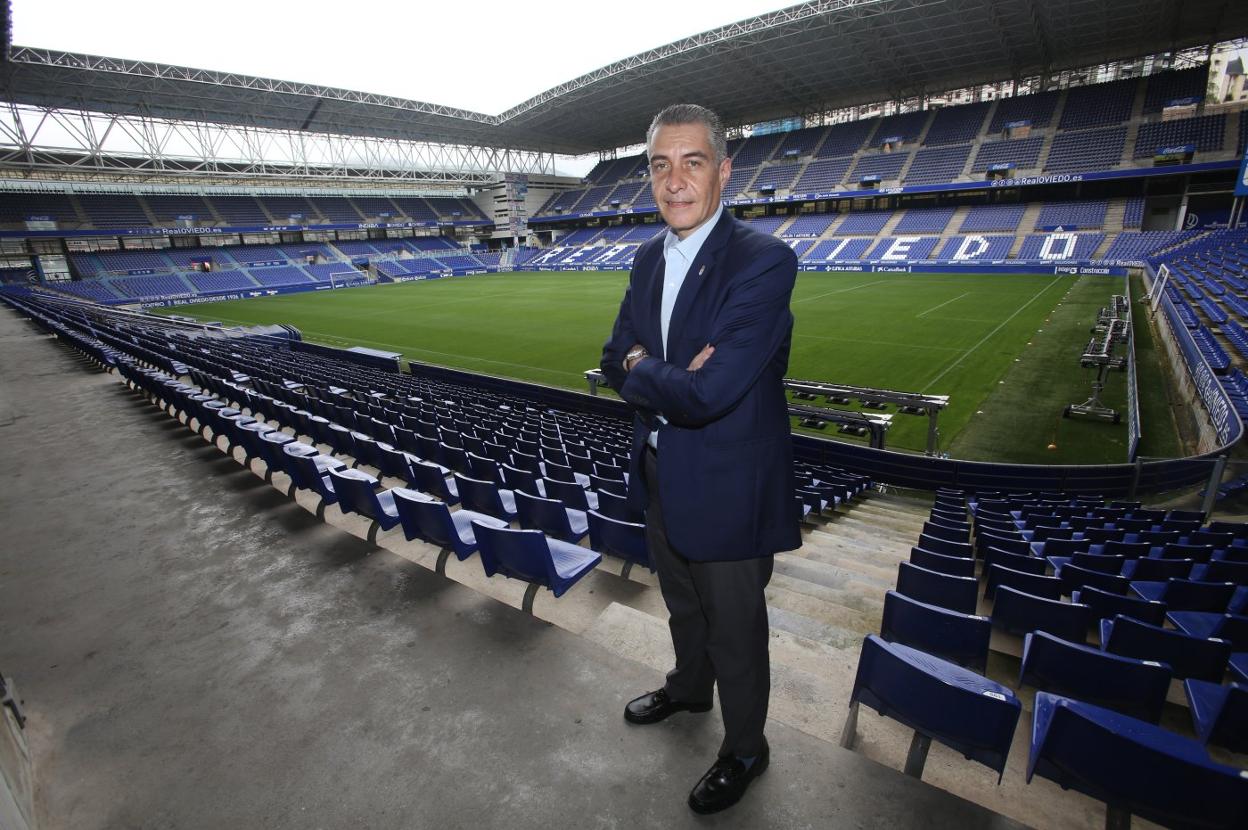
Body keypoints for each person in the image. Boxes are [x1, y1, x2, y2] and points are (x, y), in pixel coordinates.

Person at [599, 103, 800, 814]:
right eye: (660, 164)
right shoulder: (649, 255)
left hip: (729, 484)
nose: (674, 180)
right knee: (681, 603)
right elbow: (609, 358)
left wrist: (647, 369)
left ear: (723, 171)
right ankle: (689, 689)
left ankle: (747, 747)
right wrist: (665, 372)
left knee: (737, 631)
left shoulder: (765, 260)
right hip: (659, 469)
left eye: (692, 162)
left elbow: (711, 391)